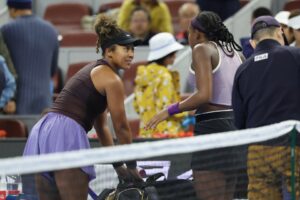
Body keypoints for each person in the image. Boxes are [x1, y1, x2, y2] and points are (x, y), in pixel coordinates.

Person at [23, 15, 143, 200]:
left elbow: (102, 128)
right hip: (64, 133)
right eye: (126, 48)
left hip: (43, 132)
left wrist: (119, 167)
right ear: (109, 52)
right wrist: (133, 167)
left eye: (132, 49)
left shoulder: (93, 71)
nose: (131, 54)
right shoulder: (112, 79)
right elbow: (121, 128)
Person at [145, 11, 244, 199]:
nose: (189, 38)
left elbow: (204, 95)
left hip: (212, 130)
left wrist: (169, 110)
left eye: (189, 33)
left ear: (197, 33)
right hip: (236, 130)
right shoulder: (237, 53)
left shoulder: (201, 49)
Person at [232, 16, 300, 199]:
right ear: (281, 33)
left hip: (258, 150)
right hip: (293, 145)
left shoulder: (242, 69)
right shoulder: (295, 55)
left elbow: (239, 120)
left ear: (253, 43)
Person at [1, 0, 59, 114]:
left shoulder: (6, 30)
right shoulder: (52, 30)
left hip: (15, 107)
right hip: (45, 106)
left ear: (12, 9)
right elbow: (53, 70)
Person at [133, 32, 187, 138]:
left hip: (146, 133)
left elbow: (136, 106)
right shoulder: (165, 76)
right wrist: (186, 113)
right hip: (166, 133)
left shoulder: (142, 76)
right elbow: (165, 108)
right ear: (166, 55)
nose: (175, 56)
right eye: (173, 53)